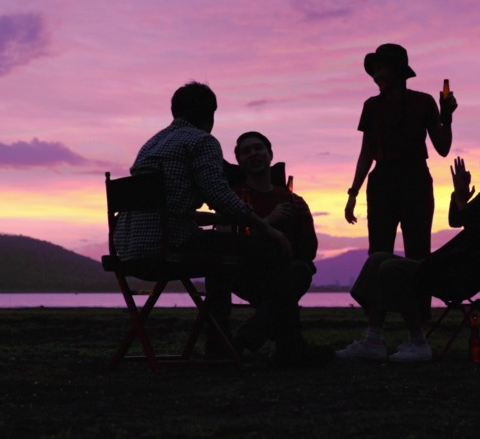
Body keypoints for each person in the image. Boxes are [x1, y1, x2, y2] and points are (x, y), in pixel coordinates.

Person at [112, 82, 333, 368]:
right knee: (269, 250)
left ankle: (221, 345)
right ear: (210, 115)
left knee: (219, 256)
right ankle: (289, 347)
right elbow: (220, 198)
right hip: (167, 246)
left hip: (127, 248)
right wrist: (267, 228)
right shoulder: (201, 141)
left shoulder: (152, 144)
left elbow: (174, 209)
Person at [338, 145, 480, 362]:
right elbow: (456, 221)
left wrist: (461, 201)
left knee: (390, 268)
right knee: (377, 259)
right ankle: (373, 340)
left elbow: (477, 230)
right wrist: (459, 196)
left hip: (462, 270)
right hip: (452, 264)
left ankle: (418, 342)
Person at [338, 43, 455, 356]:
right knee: (378, 254)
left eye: (381, 67)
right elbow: (366, 152)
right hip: (382, 182)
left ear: (397, 70)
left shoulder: (424, 102)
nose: (376, 74)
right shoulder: (371, 106)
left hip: (416, 179)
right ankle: (374, 335)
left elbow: (442, 148)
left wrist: (447, 116)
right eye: (374, 69)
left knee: (418, 255)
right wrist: (353, 191)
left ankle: (418, 337)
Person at [227, 131, 318, 353]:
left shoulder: (290, 200)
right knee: (289, 281)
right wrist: (268, 222)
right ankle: (291, 347)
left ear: (270, 155)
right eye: (246, 151)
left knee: (298, 271)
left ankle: (248, 341)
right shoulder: (233, 197)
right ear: (239, 161)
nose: (253, 154)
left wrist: (306, 218)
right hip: (246, 272)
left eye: (258, 148)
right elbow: (229, 242)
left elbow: (309, 251)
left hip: (285, 269)